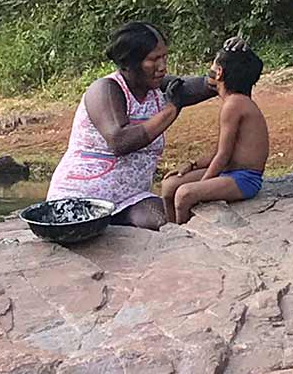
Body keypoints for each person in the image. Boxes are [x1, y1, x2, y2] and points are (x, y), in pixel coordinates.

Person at [46, 22, 221, 230]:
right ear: (129, 63)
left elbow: (206, 86)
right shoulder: (105, 89)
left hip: (131, 198)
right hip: (82, 197)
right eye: (154, 59)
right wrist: (171, 110)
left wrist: (225, 62)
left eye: (164, 57)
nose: (163, 66)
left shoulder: (155, 86)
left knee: (169, 224)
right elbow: (120, 141)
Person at [161, 46, 269, 225]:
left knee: (184, 194)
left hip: (244, 178)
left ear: (219, 73)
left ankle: (185, 236)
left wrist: (202, 185)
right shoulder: (235, 101)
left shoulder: (234, 104)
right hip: (230, 171)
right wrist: (192, 165)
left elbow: (223, 156)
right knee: (169, 186)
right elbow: (222, 151)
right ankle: (171, 229)